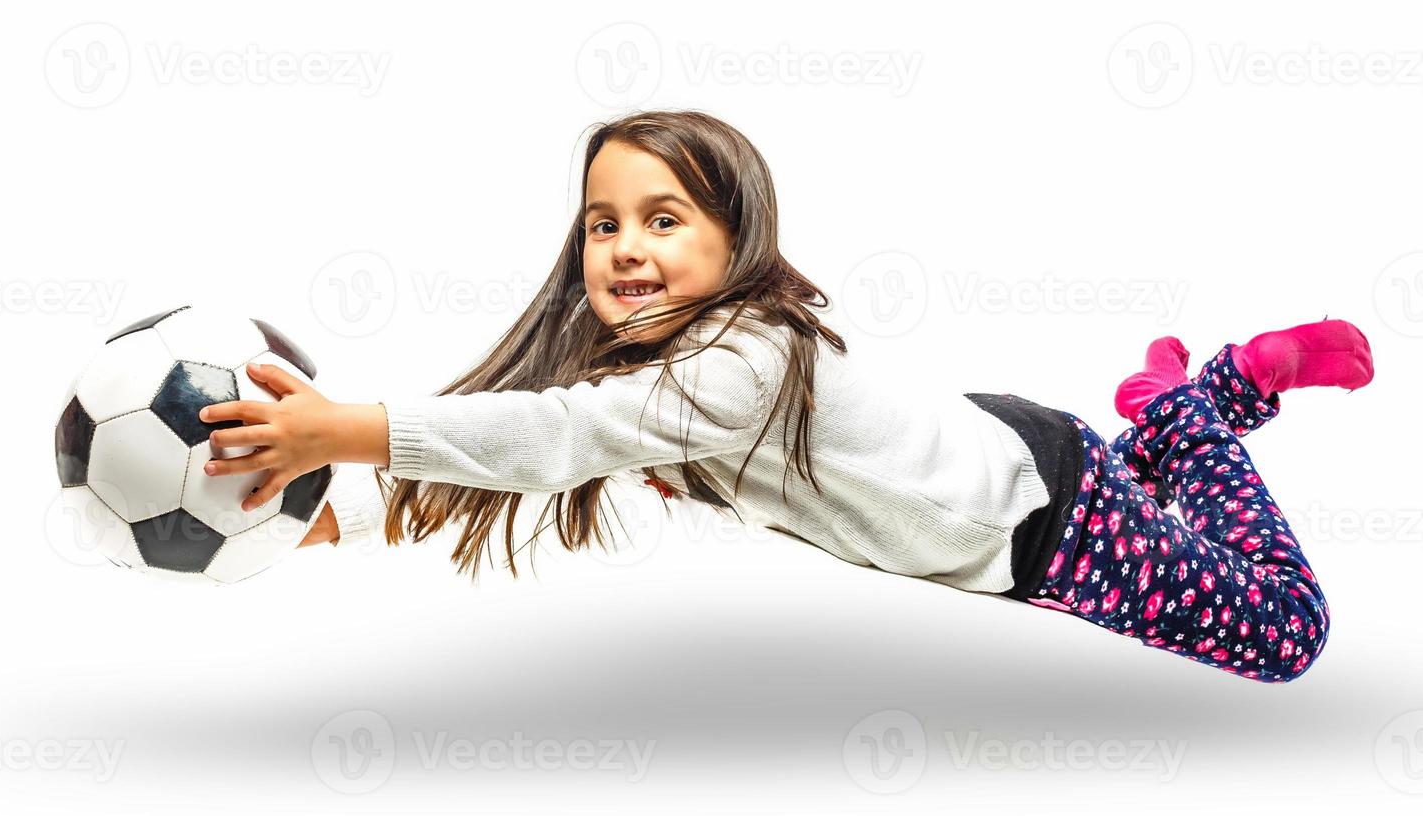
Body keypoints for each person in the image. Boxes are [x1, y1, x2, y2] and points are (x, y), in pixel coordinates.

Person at [197, 109, 1373, 684]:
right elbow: (496, 457)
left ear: (736, 236)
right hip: (1023, 458)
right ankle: (1170, 416)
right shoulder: (658, 375)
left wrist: (336, 423)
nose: (624, 247)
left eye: (665, 220)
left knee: (1287, 632)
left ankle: (1201, 401)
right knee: (1152, 504)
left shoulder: (742, 360)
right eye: (604, 222)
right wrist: (314, 508)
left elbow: (551, 440)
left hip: (1045, 523)